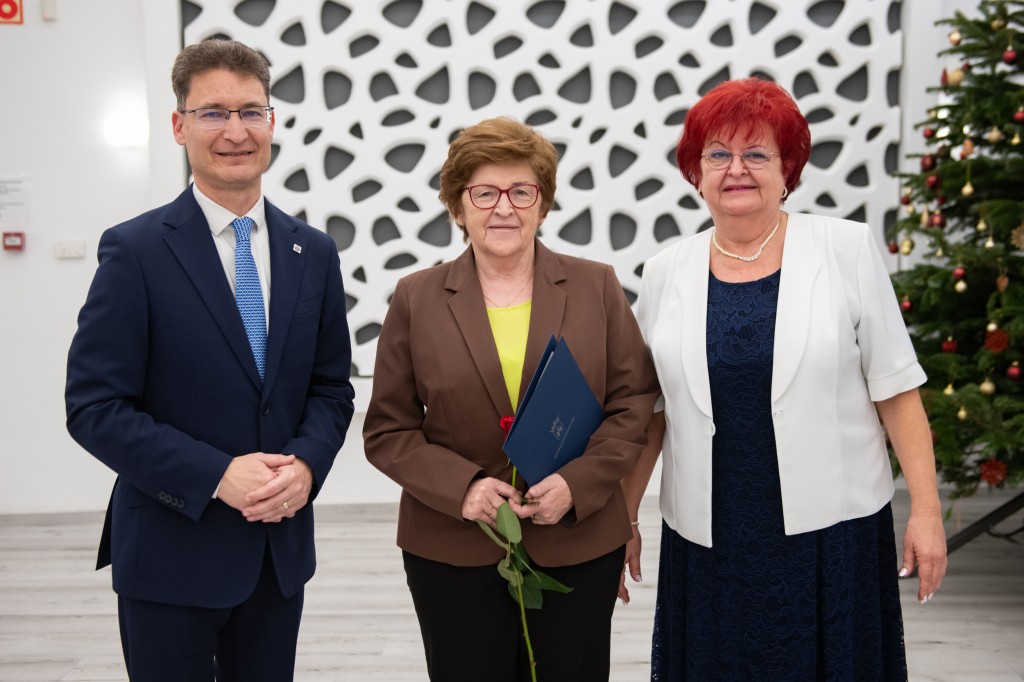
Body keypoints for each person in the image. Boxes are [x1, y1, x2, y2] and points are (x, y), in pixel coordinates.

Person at [619, 77, 948, 680]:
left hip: (832, 534)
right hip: (709, 537)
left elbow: (898, 391)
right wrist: (626, 516)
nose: (736, 170)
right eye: (718, 154)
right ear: (696, 171)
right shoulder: (666, 270)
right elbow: (651, 412)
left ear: (787, 168)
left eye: (756, 154)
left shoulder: (844, 249)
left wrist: (926, 513)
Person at [64, 38, 354, 681]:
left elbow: (331, 387)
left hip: (277, 558)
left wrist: (307, 465)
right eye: (213, 113)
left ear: (271, 122)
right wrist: (217, 475)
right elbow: (94, 408)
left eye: (250, 112)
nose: (235, 131)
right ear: (179, 126)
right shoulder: (135, 251)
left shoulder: (314, 251)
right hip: (171, 554)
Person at [363, 116, 659, 681]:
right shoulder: (416, 297)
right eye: (485, 193)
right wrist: (464, 488)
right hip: (452, 546)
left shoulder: (596, 285)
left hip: (577, 539)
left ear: (542, 205)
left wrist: (577, 484)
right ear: (458, 206)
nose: (504, 207)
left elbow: (633, 403)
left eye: (522, 191)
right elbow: (387, 431)